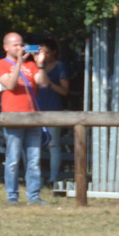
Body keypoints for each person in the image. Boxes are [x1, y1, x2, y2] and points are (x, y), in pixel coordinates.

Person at [0, 32, 48, 204]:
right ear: (6, 47)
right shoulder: (0, 64)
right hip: (13, 117)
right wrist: (18, 62)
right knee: (13, 160)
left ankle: (34, 196)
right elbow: (9, 84)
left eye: (21, 44)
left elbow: (44, 83)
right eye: (15, 45)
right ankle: (12, 196)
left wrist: (40, 65)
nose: (19, 48)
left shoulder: (31, 66)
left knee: (34, 160)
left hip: (32, 118)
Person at [36, 40, 72, 186]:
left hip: (53, 108)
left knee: (53, 144)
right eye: (40, 52)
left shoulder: (60, 66)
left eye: (46, 52)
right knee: (34, 145)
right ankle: (35, 177)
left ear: (54, 52)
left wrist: (48, 83)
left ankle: (53, 178)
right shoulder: (35, 67)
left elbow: (64, 90)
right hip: (36, 109)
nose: (43, 56)